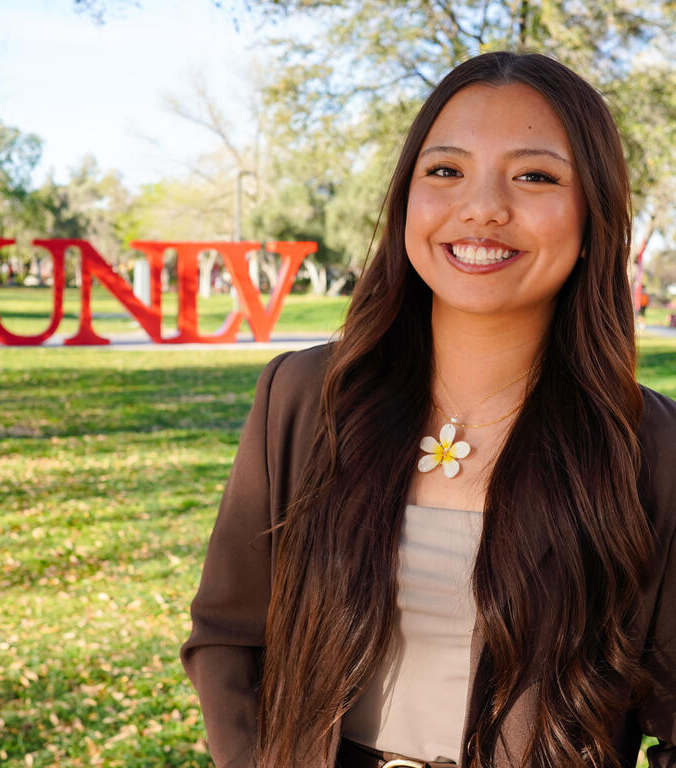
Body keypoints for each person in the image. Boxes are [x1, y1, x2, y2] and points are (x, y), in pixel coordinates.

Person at [181, 51, 676, 768]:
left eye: (534, 175)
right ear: (405, 198)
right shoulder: (301, 399)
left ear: (593, 210)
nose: (481, 207)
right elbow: (228, 635)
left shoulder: (649, 449)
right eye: (445, 171)